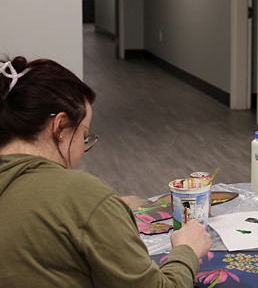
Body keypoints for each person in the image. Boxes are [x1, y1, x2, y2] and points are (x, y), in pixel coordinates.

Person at [0, 56, 212, 287]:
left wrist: (101, 210)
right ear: (60, 126)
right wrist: (186, 250)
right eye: (84, 136)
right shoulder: (81, 196)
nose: (83, 148)